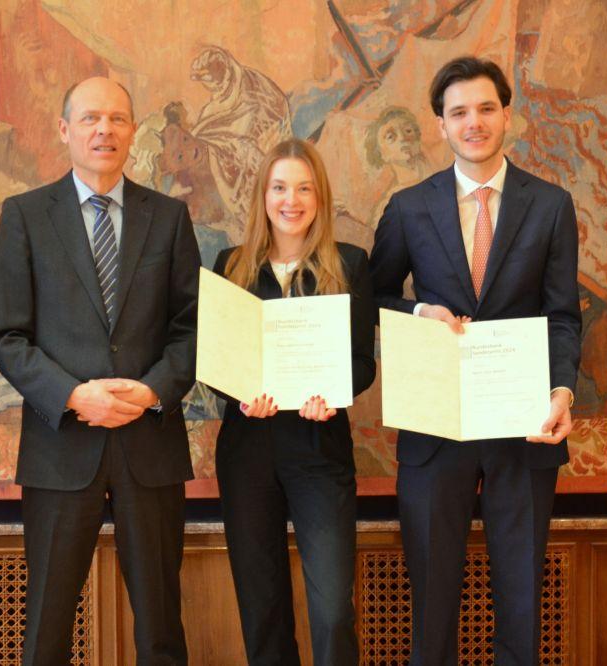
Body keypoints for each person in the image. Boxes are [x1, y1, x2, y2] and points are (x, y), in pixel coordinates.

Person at [370, 56, 582, 665]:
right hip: (436, 430)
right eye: (458, 111)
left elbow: (564, 314)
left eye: (486, 108)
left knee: (520, 598)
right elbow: (373, 299)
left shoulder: (551, 205)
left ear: (507, 115)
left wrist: (562, 393)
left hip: (525, 428)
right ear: (440, 124)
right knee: (432, 598)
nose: (474, 122)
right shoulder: (410, 207)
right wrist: (416, 314)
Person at [0, 77, 200, 665]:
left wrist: (153, 389)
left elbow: (192, 328)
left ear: (133, 131)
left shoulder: (170, 217)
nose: (104, 130)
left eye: (117, 119)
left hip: (149, 445)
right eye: (90, 119)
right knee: (47, 626)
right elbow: (5, 336)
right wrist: (75, 396)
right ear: (65, 130)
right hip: (60, 450)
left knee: (160, 625)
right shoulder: (25, 216)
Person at [211, 138, 376, 665]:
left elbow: (361, 363)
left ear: (320, 198)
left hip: (319, 449)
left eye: (305, 188)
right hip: (248, 454)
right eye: (280, 187)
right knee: (264, 611)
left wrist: (333, 394)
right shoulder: (230, 264)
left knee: (332, 611)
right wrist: (240, 396)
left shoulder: (349, 264)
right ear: (263, 196)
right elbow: (218, 366)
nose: (292, 200)